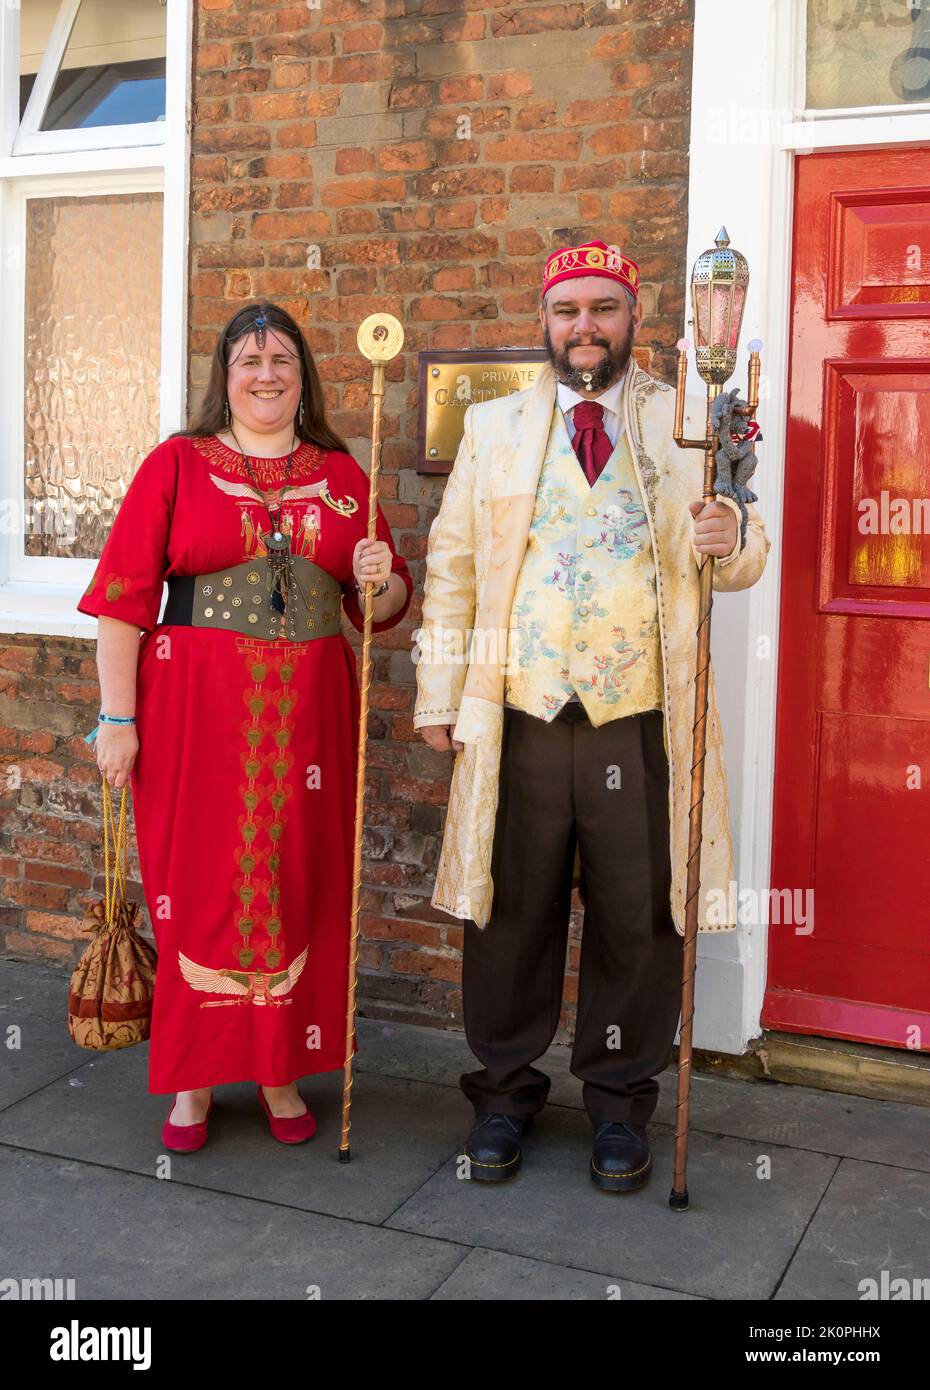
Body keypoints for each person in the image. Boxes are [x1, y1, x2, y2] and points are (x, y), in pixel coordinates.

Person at [414, 241, 771, 1191]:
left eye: (603, 310)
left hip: (639, 718)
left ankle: (619, 1104)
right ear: (544, 318)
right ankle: (502, 1096)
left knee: (638, 917)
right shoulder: (494, 426)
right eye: (568, 310)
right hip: (521, 715)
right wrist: (441, 694)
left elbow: (745, 552)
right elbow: (452, 566)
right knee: (509, 912)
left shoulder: (687, 418)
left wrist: (731, 534)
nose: (585, 327)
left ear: (634, 317)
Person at [79, 300, 412, 1150]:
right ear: (224, 378)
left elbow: (381, 611)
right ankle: (191, 1083)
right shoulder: (176, 465)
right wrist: (117, 718)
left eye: (282, 361)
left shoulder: (343, 477)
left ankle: (279, 1071)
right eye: (249, 361)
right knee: (196, 883)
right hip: (194, 709)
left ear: (304, 378)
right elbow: (121, 600)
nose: (266, 375)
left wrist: (378, 577)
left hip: (310, 719)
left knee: (298, 881)